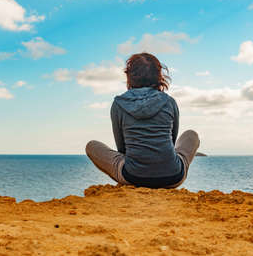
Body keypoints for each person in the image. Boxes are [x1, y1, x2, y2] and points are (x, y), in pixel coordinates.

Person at [85, 53, 200, 188]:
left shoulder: (118, 104)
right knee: (191, 135)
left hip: (133, 177)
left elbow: (122, 148)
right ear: (158, 75)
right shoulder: (169, 102)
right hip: (172, 177)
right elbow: (172, 140)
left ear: (130, 76)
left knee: (91, 146)